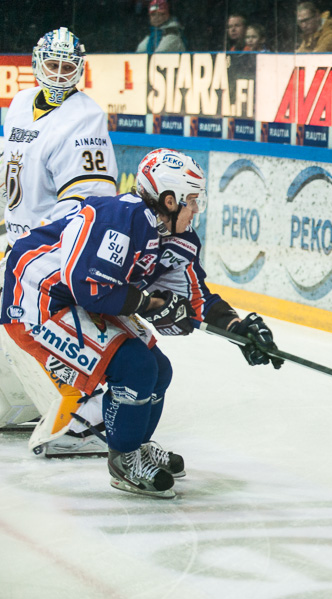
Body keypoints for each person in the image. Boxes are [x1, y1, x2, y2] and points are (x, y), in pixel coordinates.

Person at [1, 148, 284, 498]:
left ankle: (137, 444)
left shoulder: (179, 237)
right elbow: (89, 287)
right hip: (37, 300)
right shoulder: (121, 219)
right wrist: (149, 304)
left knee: (158, 369)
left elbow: (196, 299)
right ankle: (124, 460)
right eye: (192, 200)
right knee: (134, 367)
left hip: (76, 300)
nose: (197, 209)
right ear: (169, 200)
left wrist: (239, 329)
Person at [0, 27, 119, 458]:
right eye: (52, 65)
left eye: (69, 67)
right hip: (16, 240)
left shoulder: (84, 118)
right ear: (37, 64)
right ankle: (18, 403)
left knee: (29, 321)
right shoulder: (18, 104)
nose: (60, 74)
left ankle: (84, 411)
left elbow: (90, 198)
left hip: (49, 248)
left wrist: (42, 242)